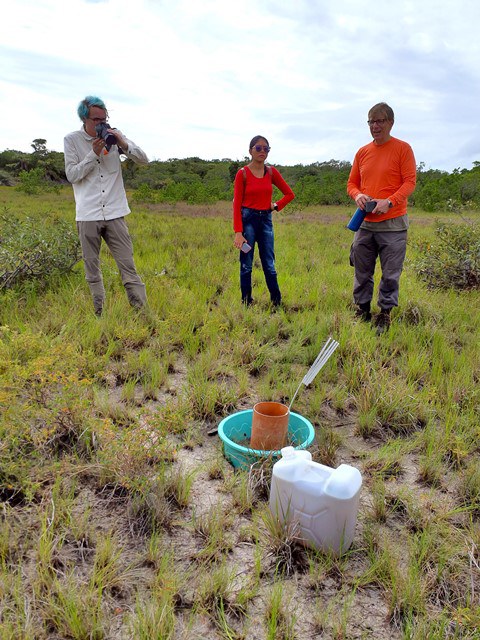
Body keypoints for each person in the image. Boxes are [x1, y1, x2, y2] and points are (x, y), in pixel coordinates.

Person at [64, 96, 149, 316]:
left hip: (115, 212)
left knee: (128, 267)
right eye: (96, 119)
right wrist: (93, 154)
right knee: (92, 269)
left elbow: (144, 159)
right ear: (85, 119)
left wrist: (122, 143)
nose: (101, 123)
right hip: (88, 213)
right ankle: (99, 314)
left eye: (104, 118)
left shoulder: (115, 136)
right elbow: (72, 175)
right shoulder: (72, 140)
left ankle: (142, 314)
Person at [347, 102, 416, 334]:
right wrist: (358, 195)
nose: (375, 126)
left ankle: (385, 314)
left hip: (393, 224)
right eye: (371, 121)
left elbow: (409, 182)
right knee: (362, 271)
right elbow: (351, 183)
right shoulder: (362, 152)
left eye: (380, 121)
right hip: (365, 224)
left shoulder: (403, 149)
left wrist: (390, 201)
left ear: (390, 123)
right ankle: (362, 310)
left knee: (390, 274)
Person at [232, 136, 294, 307]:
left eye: (266, 149)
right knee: (246, 265)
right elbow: (236, 204)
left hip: (265, 220)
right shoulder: (242, 173)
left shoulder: (272, 172)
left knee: (269, 263)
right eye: (258, 148)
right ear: (250, 150)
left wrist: (275, 206)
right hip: (248, 221)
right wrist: (238, 232)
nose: (262, 152)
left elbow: (289, 194)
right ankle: (246, 302)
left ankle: (277, 302)